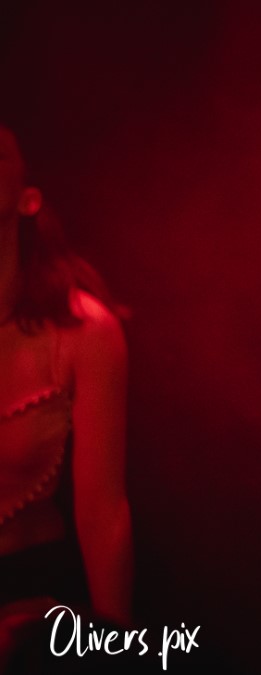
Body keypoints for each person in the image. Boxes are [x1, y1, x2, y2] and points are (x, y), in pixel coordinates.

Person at [0, 119, 133, 657]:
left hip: (29, 597)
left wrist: (116, 650)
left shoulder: (83, 331)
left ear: (27, 197)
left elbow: (103, 514)